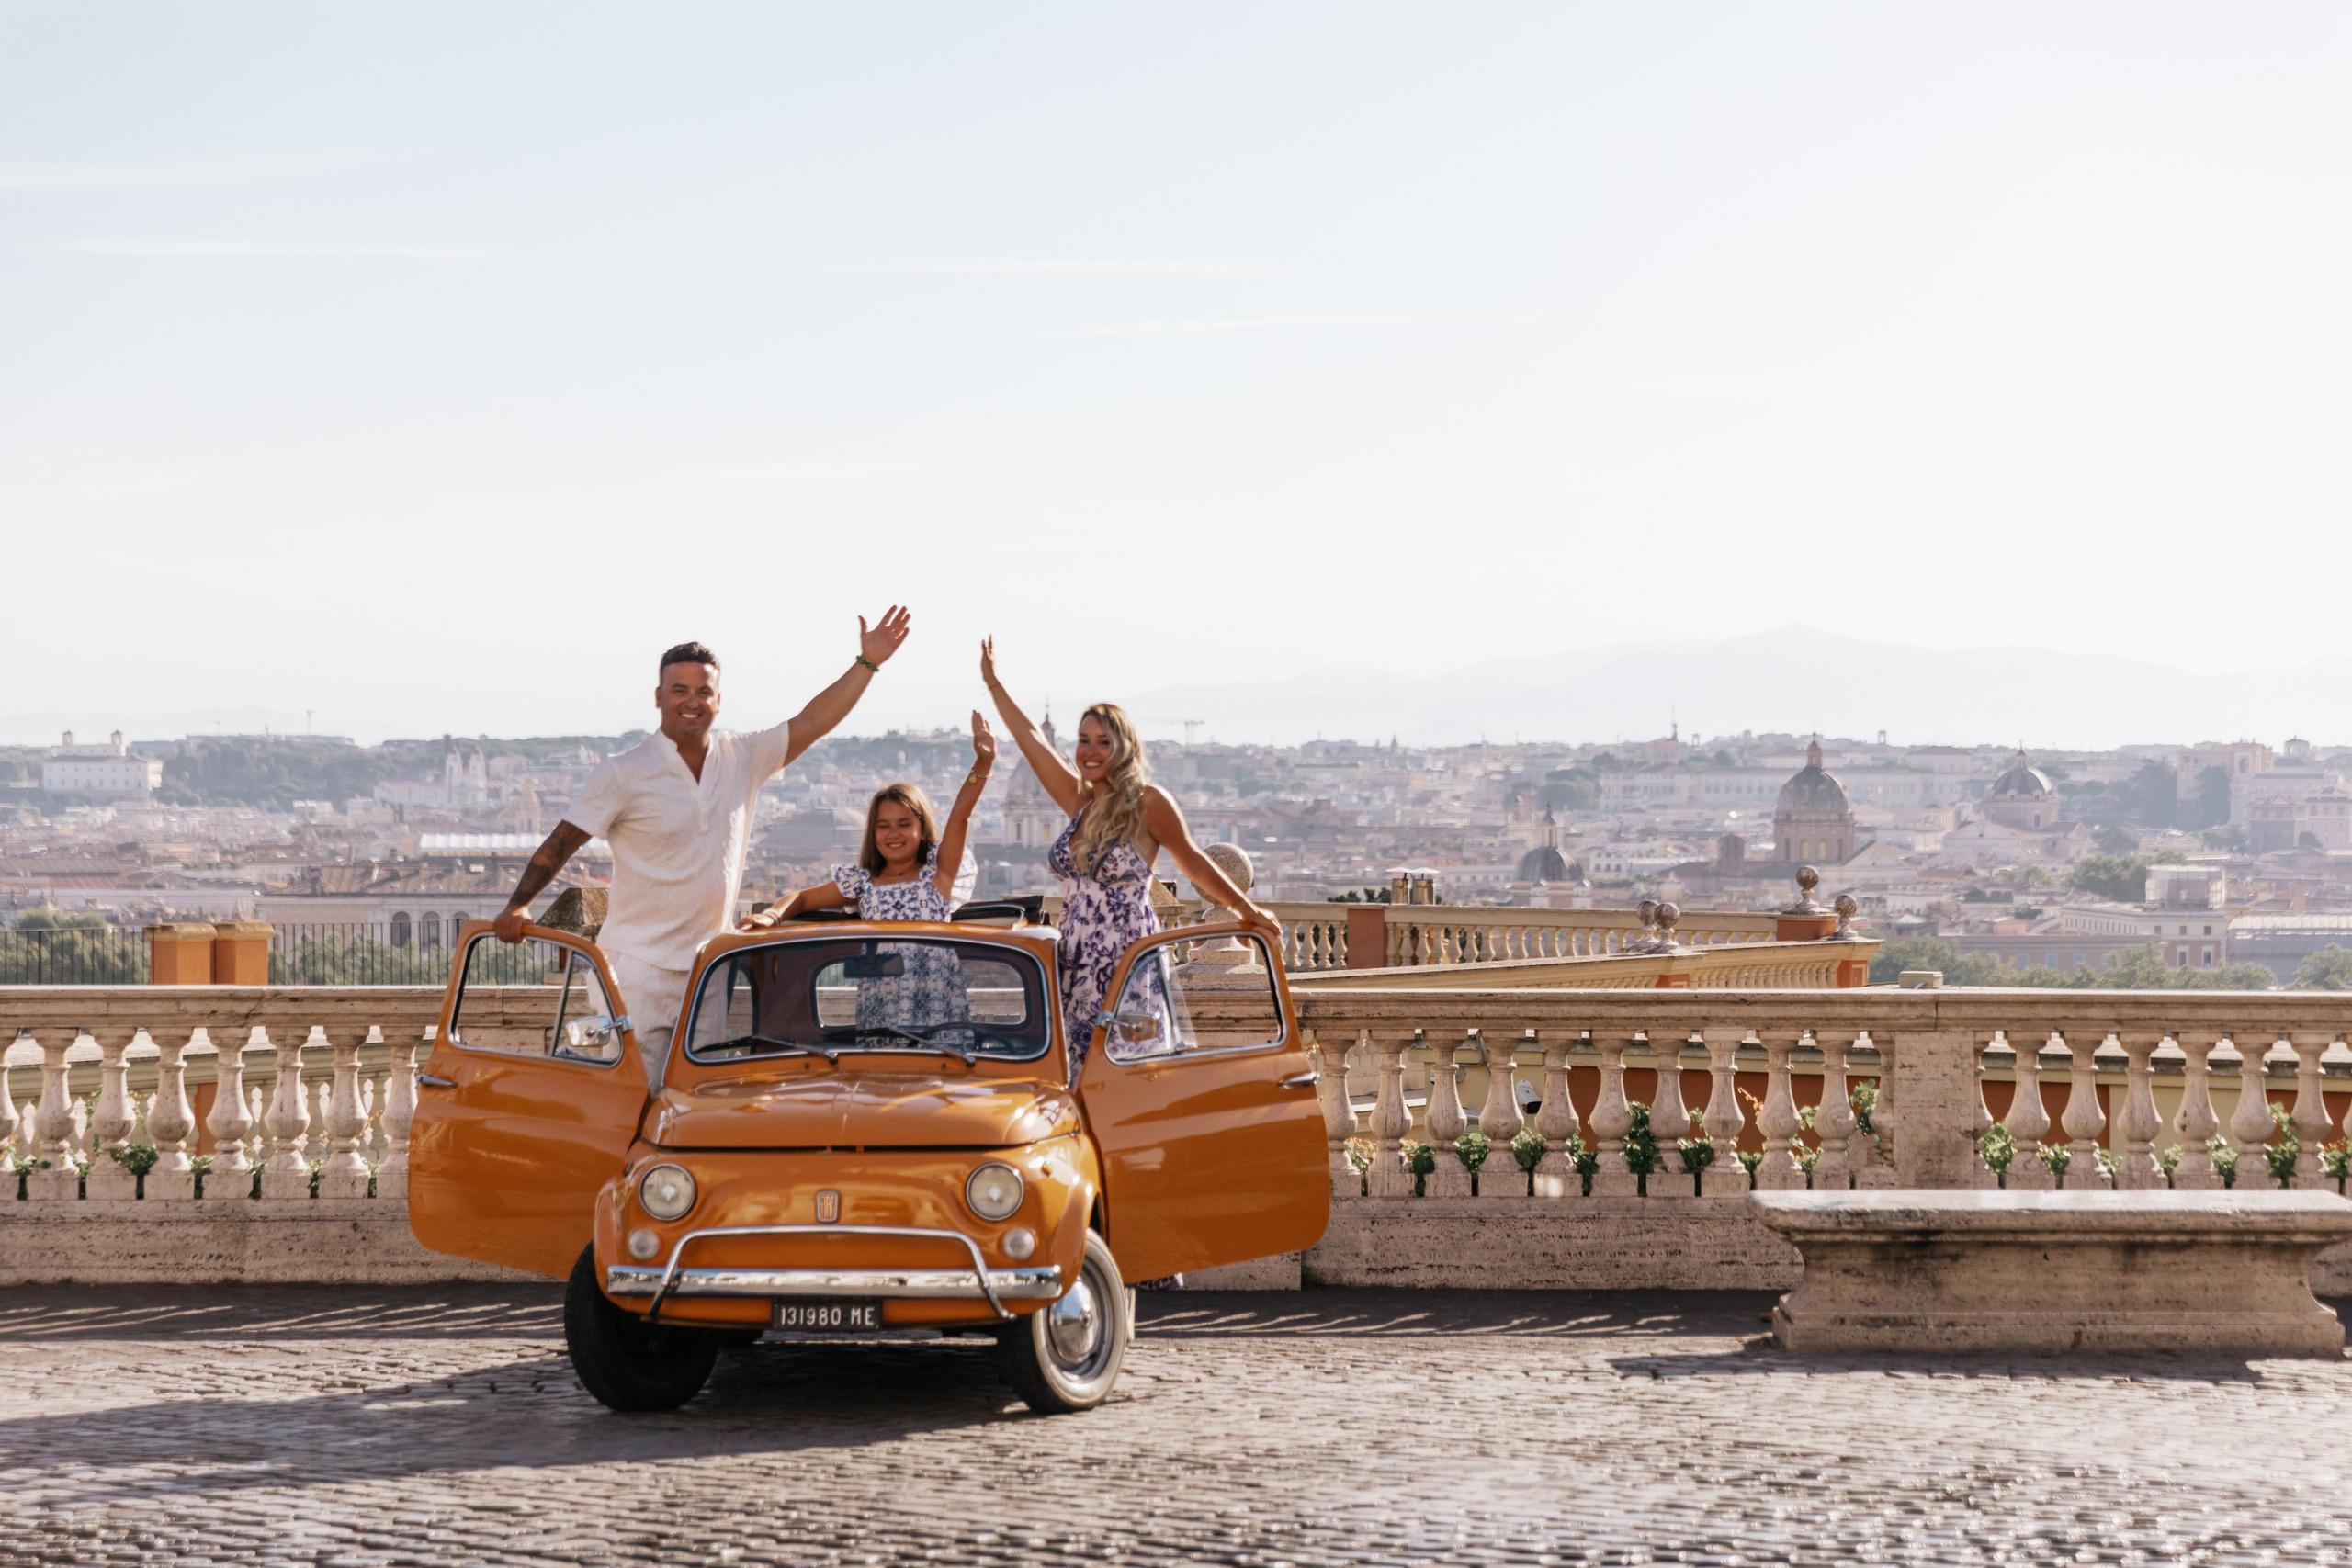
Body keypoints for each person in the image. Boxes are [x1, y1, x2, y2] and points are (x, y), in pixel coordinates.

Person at [491, 611, 911, 1086]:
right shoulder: (623, 772)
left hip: (708, 970)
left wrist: (866, 663)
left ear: (718, 700)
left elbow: (813, 721)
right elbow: (563, 840)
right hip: (636, 972)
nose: (692, 701)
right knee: (635, 1101)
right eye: (680, 690)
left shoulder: (743, 757)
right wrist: (519, 903)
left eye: (703, 691)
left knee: (695, 1102)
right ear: (658, 697)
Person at [978, 637, 1278, 1080]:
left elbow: (1194, 862)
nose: (1090, 750)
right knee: (1074, 1082)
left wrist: (1248, 911)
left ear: (1124, 747)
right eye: (1084, 740)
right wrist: (993, 683)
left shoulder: (1148, 803)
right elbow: (1033, 742)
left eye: (1103, 741)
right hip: (1073, 964)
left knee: (1127, 1082)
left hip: (1127, 962)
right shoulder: (1079, 802)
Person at [746, 712, 996, 1038]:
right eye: (883, 826)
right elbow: (803, 898)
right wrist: (772, 915)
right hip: (881, 1005)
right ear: (872, 833)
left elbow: (960, 816)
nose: (894, 834)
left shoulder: (939, 874)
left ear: (922, 829)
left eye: (904, 824)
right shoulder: (863, 882)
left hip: (939, 1006)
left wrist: (983, 764)